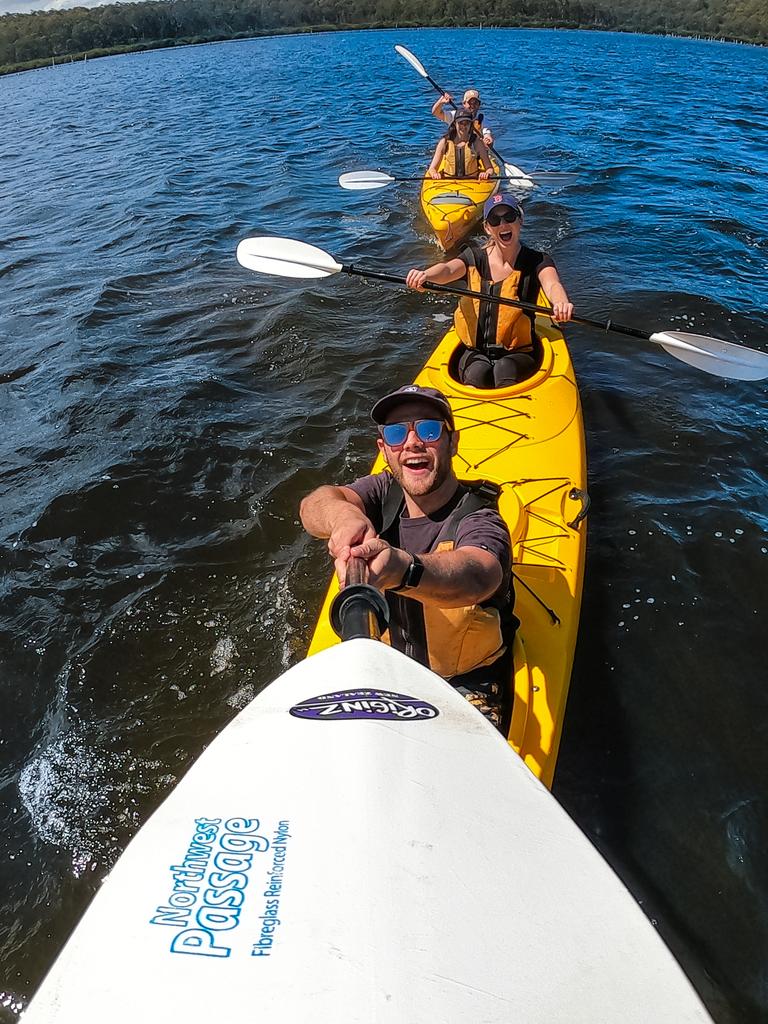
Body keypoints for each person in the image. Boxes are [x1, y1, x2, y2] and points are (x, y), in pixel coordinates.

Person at [299, 384, 515, 727]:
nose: (412, 442)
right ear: (384, 450)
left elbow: (479, 573)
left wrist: (403, 569)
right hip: (388, 670)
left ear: (452, 442)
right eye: (398, 433)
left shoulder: (479, 518)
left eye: (428, 429)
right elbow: (313, 506)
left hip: (464, 681)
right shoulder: (382, 491)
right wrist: (344, 518)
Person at [406, 192, 574, 388]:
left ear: (520, 221)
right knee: (477, 373)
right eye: (495, 220)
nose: (503, 224)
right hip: (474, 352)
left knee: (505, 368)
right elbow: (448, 269)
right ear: (487, 228)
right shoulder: (474, 257)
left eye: (509, 217)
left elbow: (552, 283)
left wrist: (561, 303)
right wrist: (426, 276)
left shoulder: (537, 260)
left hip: (518, 354)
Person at [427, 109, 493, 181]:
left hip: (472, 181)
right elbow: (432, 169)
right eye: (461, 123)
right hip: (448, 182)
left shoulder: (476, 142)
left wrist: (486, 174)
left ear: (471, 124)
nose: (464, 126)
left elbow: (489, 168)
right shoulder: (444, 142)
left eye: (467, 123)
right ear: (455, 123)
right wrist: (434, 174)